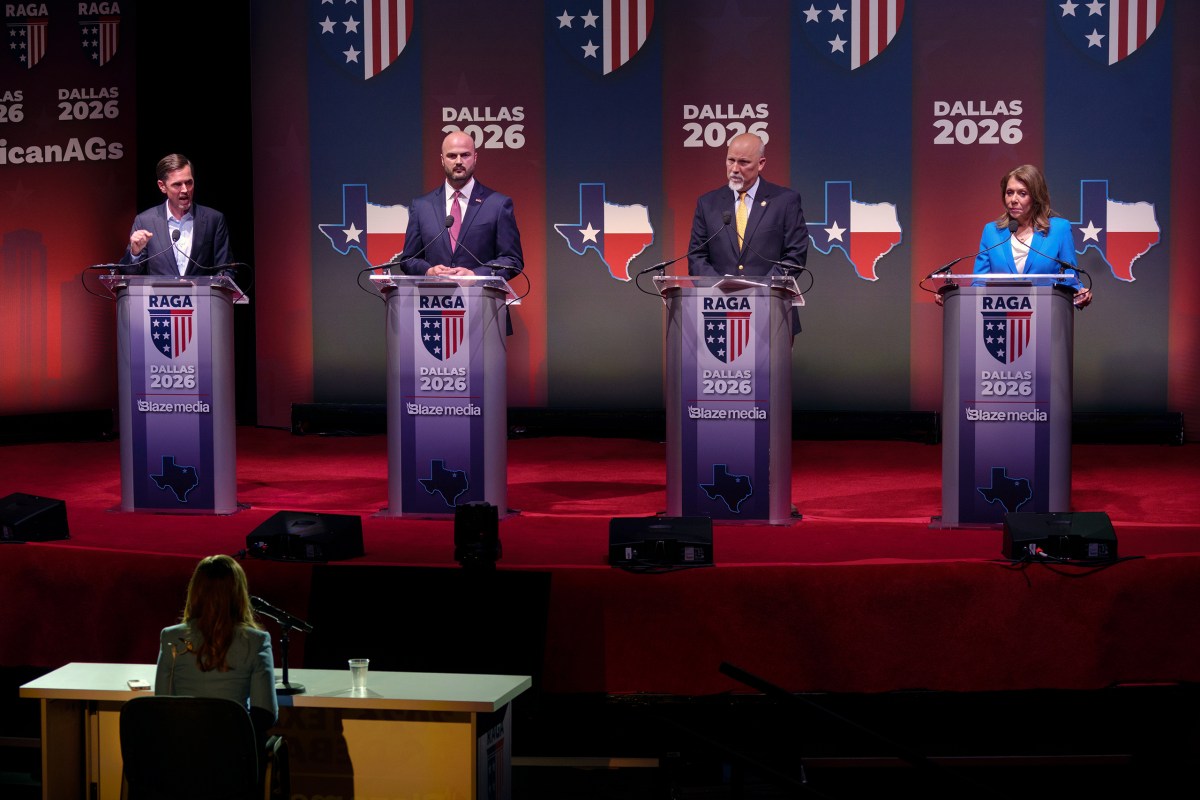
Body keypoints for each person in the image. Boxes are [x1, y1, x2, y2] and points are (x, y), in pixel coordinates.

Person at [154, 555, 277, 748]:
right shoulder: (257, 641)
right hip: (233, 760)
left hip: (181, 758)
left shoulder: (171, 637)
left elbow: (161, 707)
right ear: (239, 593)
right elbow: (265, 715)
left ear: (195, 591)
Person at [395, 131, 524, 278]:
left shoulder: (498, 205)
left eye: (465, 155)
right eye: (452, 156)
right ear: (442, 160)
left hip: (482, 298)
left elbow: (512, 260)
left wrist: (475, 275)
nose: (458, 161)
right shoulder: (421, 207)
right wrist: (428, 271)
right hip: (434, 298)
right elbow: (409, 260)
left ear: (475, 158)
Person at [687, 132, 808, 278]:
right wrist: (717, 288)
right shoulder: (707, 204)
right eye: (731, 160)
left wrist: (762, 289)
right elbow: (697, 257)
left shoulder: (785, 201)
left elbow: (795, 254)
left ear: (761, 163)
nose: (735, 169)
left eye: (743, 162)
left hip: (769, 297)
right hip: (718, 298)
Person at [970, 164, 1091, 308]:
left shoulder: (1059, 229)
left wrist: (1079, 294)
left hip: (1046, 316)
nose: (1013, 199)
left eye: (1022, 193)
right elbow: (979, 282)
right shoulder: (992, 231)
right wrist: (949, 294)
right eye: (1009, 192)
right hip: (1000, 318)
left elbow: (1070, 278)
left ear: (1036, 197)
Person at [119, 154, 233, 276]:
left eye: (189, 182)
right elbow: (128, 274)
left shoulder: (213, 220)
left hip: (201, 295)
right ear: (162, 186)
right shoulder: (145, 221)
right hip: (159, 295)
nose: (185, 190)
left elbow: (226, 270)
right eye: (177, 184)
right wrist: (135, 253)